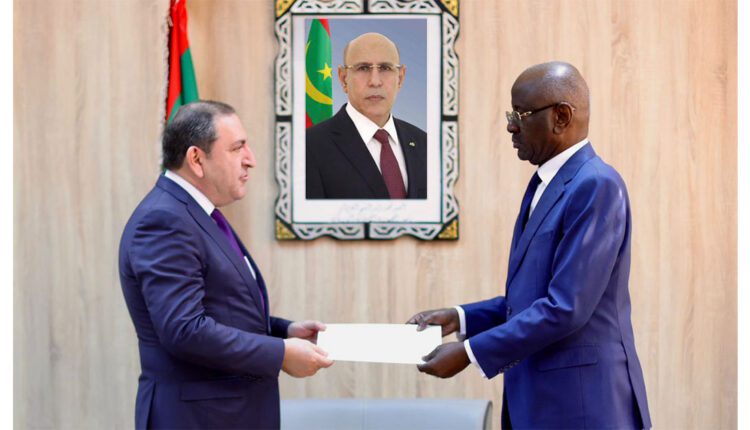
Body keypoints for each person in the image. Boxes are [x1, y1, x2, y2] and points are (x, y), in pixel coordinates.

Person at [407, 62, 652, 429]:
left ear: (561, 117)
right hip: (540, 402)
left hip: (582, 405)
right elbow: (531, 299)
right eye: (511, 115)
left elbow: (566, 307)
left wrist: (469, 352)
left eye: (519, 115)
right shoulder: (543, 184)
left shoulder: (596, 185)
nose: (510, 126)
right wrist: (459, 317)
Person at [118, 101, 333, 429]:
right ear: (196, 159)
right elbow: (185, 330)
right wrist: (280, 353)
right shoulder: (164, 220)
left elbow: (221, 309)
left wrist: (284, 331)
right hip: (197, 419)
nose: (251, 159)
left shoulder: (196, 213)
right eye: (237, 148)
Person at [306, 32, 427, 199]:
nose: (375, 81)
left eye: (385, 68)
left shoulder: (425, 144)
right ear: (343, 78)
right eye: (363, 68)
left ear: (400, 78)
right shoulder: (309, 146)